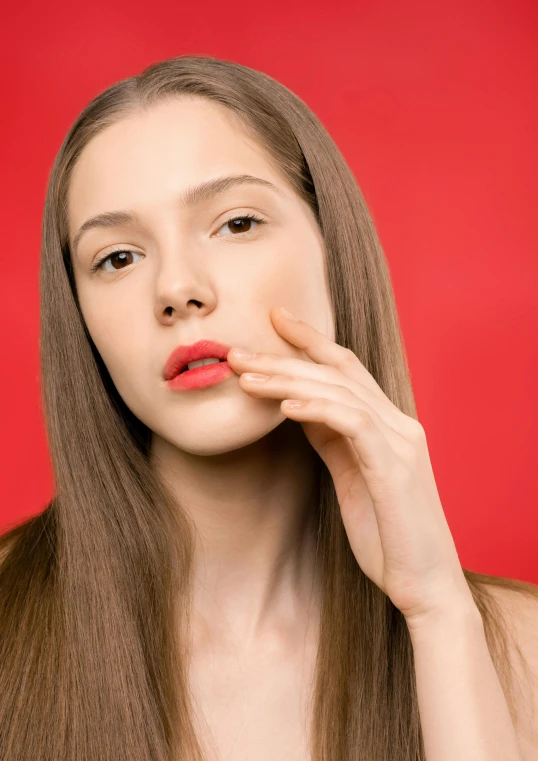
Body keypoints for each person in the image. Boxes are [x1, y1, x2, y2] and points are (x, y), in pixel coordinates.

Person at [0, 54, 536, 761]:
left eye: (236, 223)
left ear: (331, 248)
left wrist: (437, 611)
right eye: (118, 258)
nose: (178, 288)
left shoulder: (516, 646)